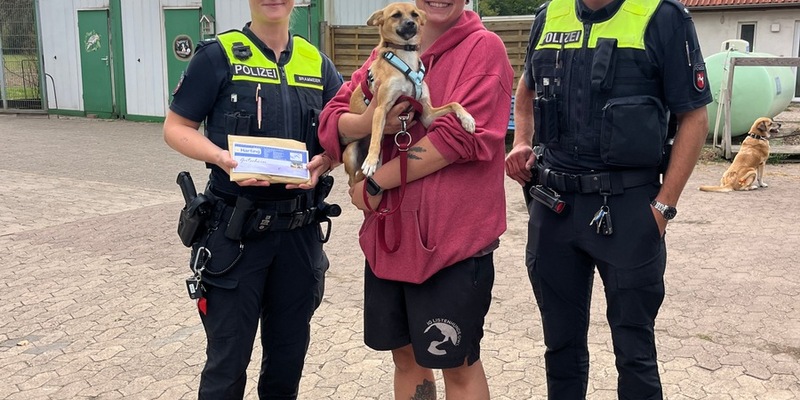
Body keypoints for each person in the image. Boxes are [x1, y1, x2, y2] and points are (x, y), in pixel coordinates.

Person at [505, 0, 712, 397]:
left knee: (635, 352)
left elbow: (694, 118)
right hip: (554, 208)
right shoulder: (549, 15)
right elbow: (527, 88)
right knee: (560, 346)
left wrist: (662, 208)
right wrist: (521, 141)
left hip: (629, 209)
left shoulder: (662, 16)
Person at [318, 0, 513, 398]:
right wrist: (370, 118)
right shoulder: (383, 54)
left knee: (457, 364)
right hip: (390, 238)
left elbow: (459, 138)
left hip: (452, 242)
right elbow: (335, 113)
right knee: (405, 357)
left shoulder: (484, 47)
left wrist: (374, 185)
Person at [163, 0, 342, 398]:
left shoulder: (318, 64)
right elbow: (176, 127)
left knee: (286, 365)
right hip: (235, 236)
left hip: (299, 237)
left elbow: (343, 135)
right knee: (226, 368)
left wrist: (326, 161)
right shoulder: (217, 56)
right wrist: (220, 159)